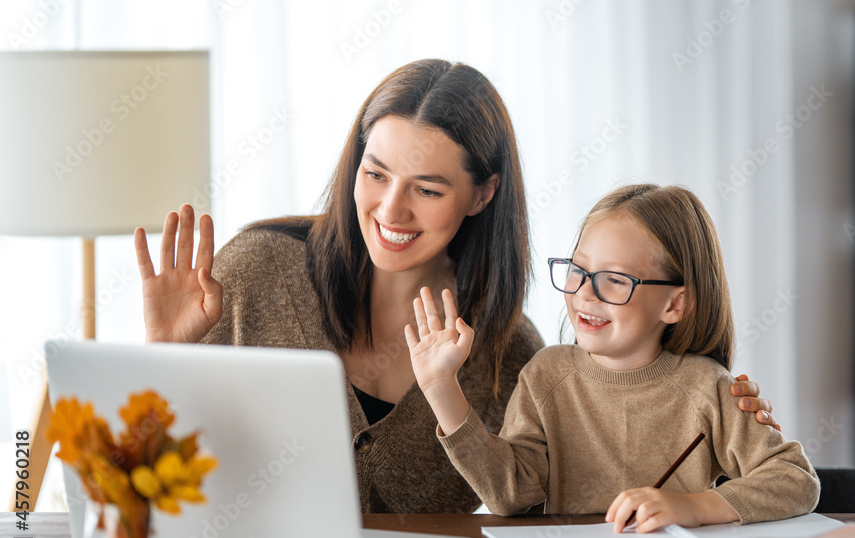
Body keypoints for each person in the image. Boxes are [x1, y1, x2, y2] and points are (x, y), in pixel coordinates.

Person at [133, 59, 779, 513]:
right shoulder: (254, 272)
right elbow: (148, 487)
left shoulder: (510, 357)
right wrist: (161, 357)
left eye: (428, 189)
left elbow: (617, 443)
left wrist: (725, 418)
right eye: (376, 173)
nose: (390, 210)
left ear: (483, 193)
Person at [406, 183, 819, 529]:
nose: (585, 292)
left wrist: (693, 507)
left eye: (614, 280)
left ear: (675, 305)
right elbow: (510, 494)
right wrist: (442, 389)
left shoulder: (707, 387)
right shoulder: (545, 376)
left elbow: (795, 479)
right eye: (578, 269)